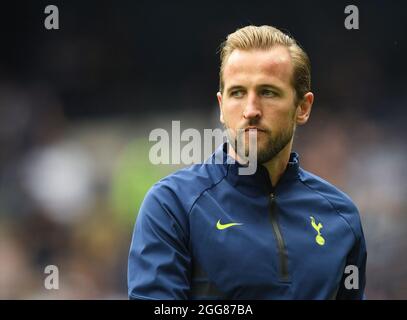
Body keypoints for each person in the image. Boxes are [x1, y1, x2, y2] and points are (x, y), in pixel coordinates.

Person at [127, 25, 367, 299]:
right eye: (238, 93)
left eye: (268, 92)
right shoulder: (172, 205)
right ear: (221, 105)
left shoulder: (341, 218)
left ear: (303, 107)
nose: (251, 110)